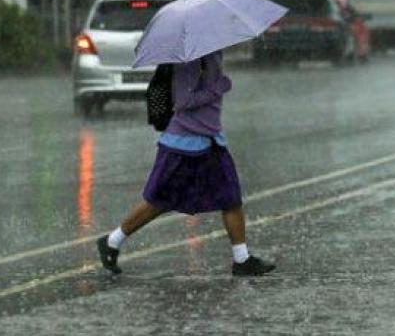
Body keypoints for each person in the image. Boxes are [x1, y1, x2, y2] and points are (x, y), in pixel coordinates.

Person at [97, 51, 275, 276]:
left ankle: (242, 259)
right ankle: (112, 241)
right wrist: (216, 88)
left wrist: (216, 84)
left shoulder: (211, 53)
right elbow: (183, 100)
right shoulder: (191, 58)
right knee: (158, 201)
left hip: (210, 140)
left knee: (231, 198)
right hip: (184, 145)